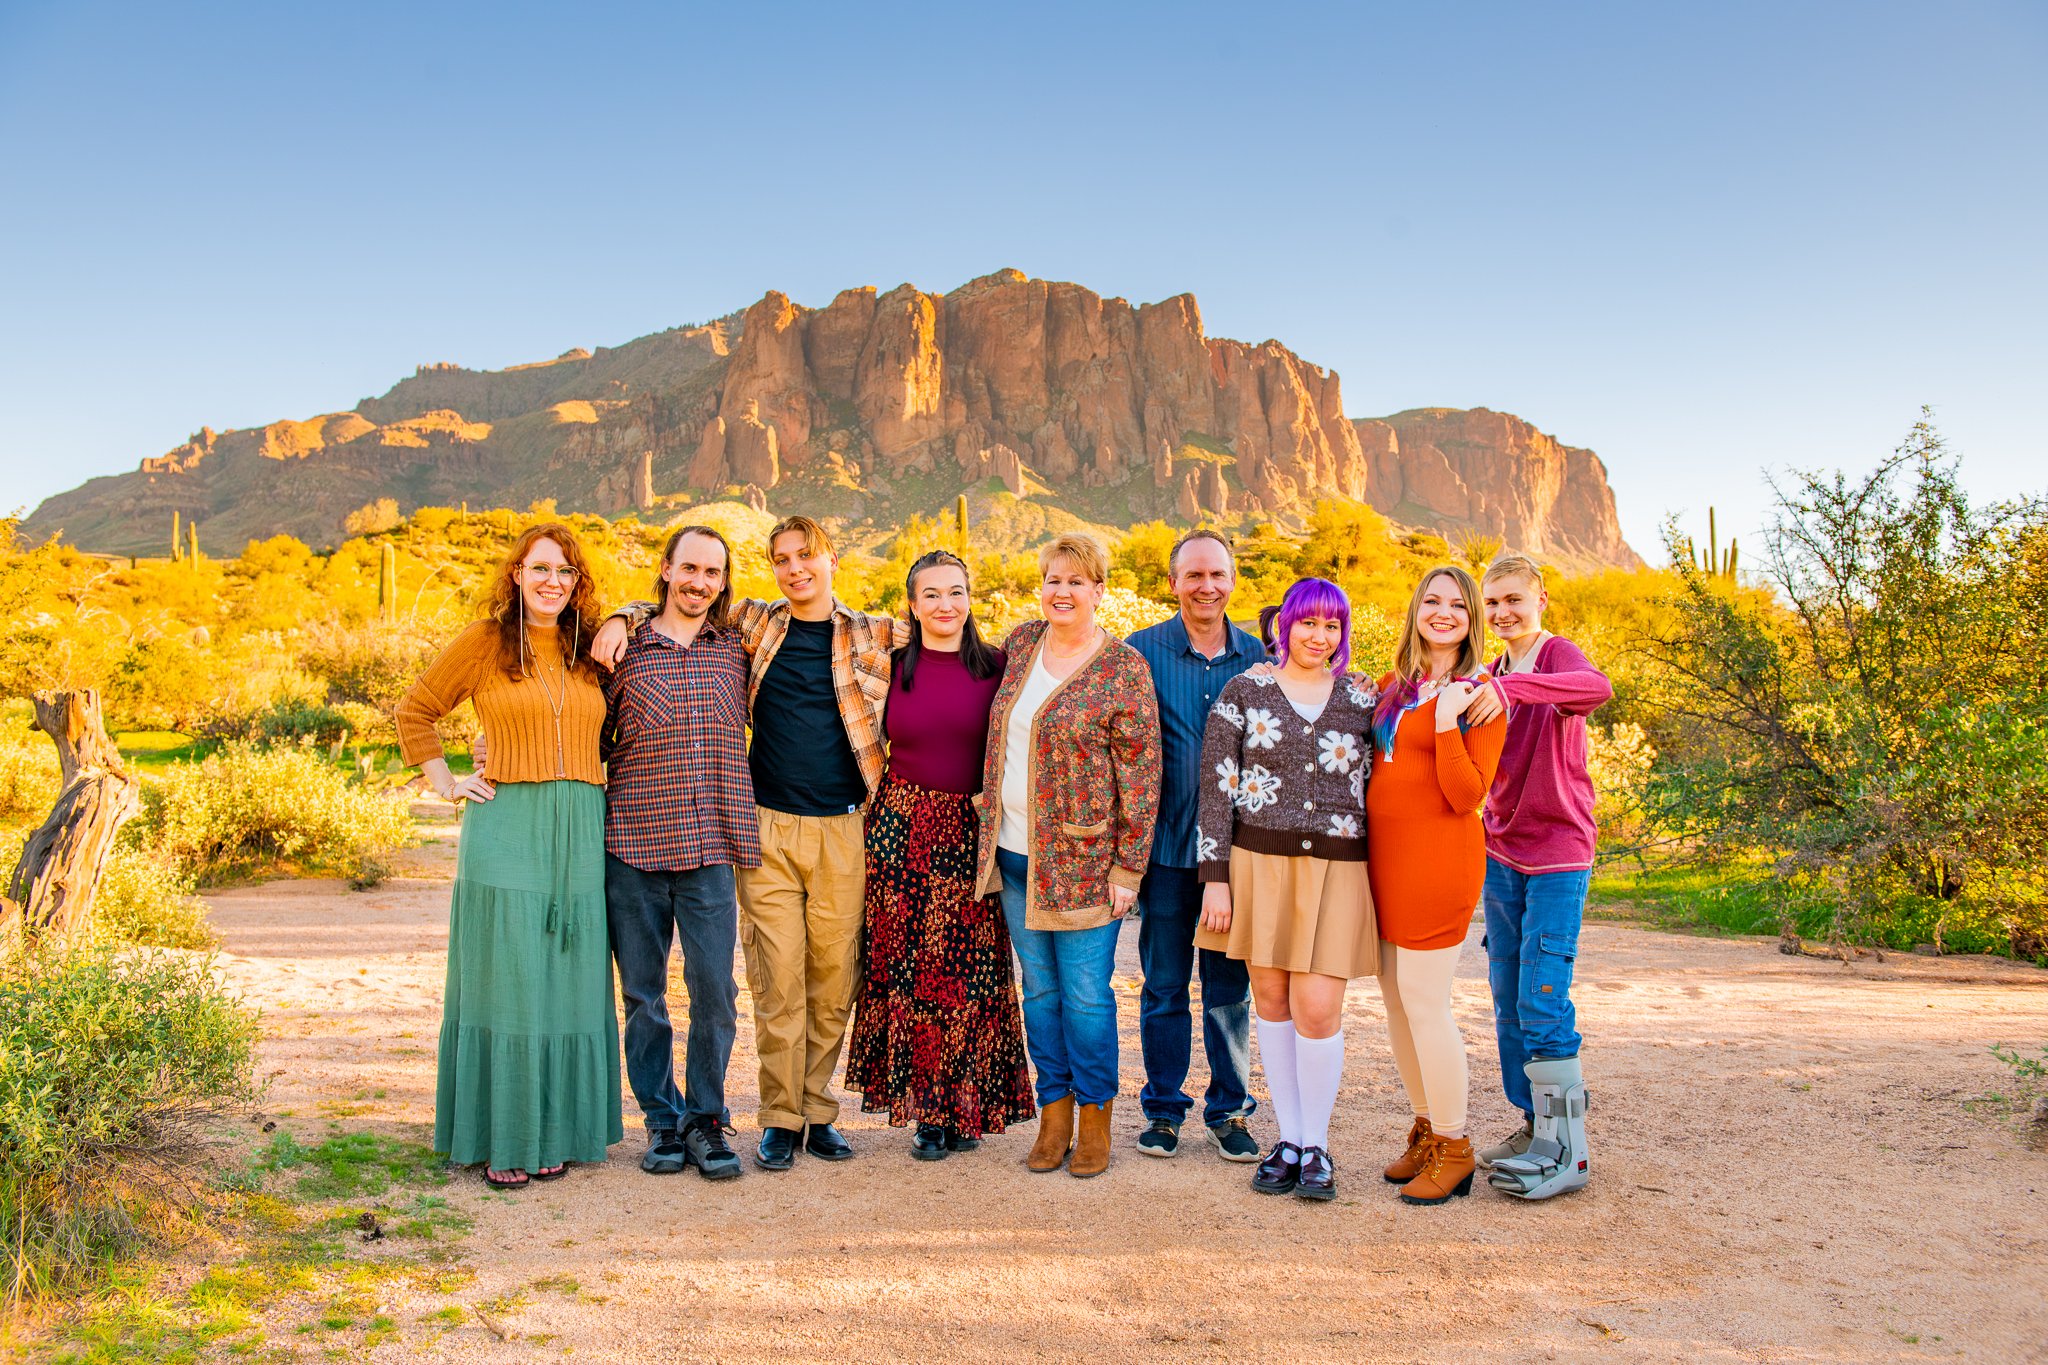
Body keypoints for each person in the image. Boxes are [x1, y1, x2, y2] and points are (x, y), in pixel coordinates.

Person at [593, 515, 905, 1171]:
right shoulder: (754, 629)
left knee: (827, 979)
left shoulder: (866, 634)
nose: (795, 569)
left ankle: (811, 1111)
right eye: (782, 559)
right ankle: (764, 1119)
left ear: (831, 560)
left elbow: (943, 635)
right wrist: (621, 617)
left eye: (806, 557)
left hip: (838, 826)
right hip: (757, 827)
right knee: (771, 982)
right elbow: (656, 620)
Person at [394, 522, 623, 1189]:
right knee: (515, 977)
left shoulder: (588, 648)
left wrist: (625, 621)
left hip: (582, 826)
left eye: (566, 572)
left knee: (570, 977)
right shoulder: (486, 641)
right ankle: (507, 1135)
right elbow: (417, 709)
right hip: (508, 824)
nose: (554, 581)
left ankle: (559, 1130)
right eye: (541, 568)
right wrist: (447, 779)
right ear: (517, 574)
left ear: (577, 583)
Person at [973, 532, 1162, 1178]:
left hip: (1084, 865)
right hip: (1015, 856)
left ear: (1099, 590)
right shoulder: (1020, 645)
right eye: (1053, 579)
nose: (1062, 591)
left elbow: (1142, 774)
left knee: (1085, 997)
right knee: (1040, 993)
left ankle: (1094, 1118)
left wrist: (1128, 866)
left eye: (1076, 581)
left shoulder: (1122, 668)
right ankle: (1052, 1113)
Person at [844, 550, 1034, 1159]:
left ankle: (966, 1103)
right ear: (912, 604)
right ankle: (927, 1110)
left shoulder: (1001, 668)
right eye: (931, 594)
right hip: (900, 828)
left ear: (970, 598)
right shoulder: (890, 666)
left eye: (955, 592)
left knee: (968, 969)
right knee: (908, 968)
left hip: (972, 830)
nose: (944, 605)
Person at [1194, 578, 1379, 1200]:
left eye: (1332, 627)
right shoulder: (1243, 692)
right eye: (1308, 624)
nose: (1318, 637)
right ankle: (1290, 1141)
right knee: (1270, 1001)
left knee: (1318, 1008)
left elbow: (1387, 782)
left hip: (1338, 869)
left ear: (1341, 634)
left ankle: (1317, 1144)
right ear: (1284, 626)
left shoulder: (1362, 697)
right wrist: (1214, 880)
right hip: (1257, 865)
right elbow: (1216, 791)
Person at [601, 525, 753, 1181]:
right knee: (643, 996)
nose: (699, 582)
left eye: (712, 572)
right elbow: (582, 726)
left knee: (716, 992)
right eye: (688, 568)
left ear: (723, 581)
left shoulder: (739, 650)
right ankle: (662, 1123)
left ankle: (706, 1120)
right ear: (665, 569)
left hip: (711, 846)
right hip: (632, 844)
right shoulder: (623, 650)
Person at [1460, 552, 1612, 1200]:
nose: (1503, 613)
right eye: (1492, 604)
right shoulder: (1490, 671)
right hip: (1503, 852)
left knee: (1543, 997)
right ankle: (1533, 1125)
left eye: (1514, 600)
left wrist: (1512, 690)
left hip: (1558, 853)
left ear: (1540, 598)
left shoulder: (1554, 658)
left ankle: (1567, 1151)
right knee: (1507, 994)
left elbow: (1596, 689)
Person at [1365, 564, 1507, 1206]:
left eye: (1458, 603)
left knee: (1425, 1002)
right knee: (1396, 1003)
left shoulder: (1480, 695)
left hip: (1438, 861)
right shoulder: (1393, 687)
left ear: (1472, 618)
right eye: (1432, 600)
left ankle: (1455, 1144)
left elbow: (1467, 794)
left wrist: (1449, 721)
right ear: (1415, 609)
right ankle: (1425, 1129)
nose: (1443, 611)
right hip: (1384, 860)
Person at [1125, 530, 1265, 1163]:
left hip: (1236, 857)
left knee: (1228, 988)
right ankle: (1162, 1111)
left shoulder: (1261, 658)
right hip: (1162, 852)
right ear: (1174, 582)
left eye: (1218, 575)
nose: (1207, 586)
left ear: (1232, 580)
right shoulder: (1141, 652)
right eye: (1195, 575)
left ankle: (1229, 1110)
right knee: (1162, 984)